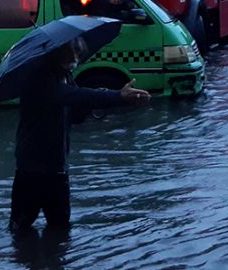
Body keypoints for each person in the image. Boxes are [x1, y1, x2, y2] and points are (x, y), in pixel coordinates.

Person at [9, 37, 149, 232]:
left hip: (57, 167)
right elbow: (75, 96)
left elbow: (75, 111)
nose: (76, 60)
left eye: (78, 55)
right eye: (73, 55)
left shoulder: (64, 76)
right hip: (32, 169)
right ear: (59, 55)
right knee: (21, 228)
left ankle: (46, 259)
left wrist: (86, 108)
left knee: (60, 230)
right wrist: (118, 96)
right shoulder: (39, 79)